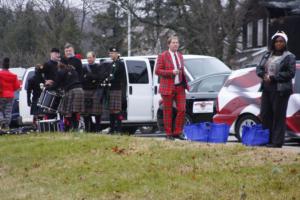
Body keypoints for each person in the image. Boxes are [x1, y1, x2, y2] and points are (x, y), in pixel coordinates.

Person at [256, 31, 296, 148]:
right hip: (267, 88)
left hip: (281, 90)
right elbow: (259, 69)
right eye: (277, 41)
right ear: (273, 43)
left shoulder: (289, 56)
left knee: (278, 115)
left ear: (285, 43)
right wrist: (263, 76)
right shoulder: (267, 55)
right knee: (265, 114)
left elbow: (290, 73)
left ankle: (277, 142)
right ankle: (266, 139)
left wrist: (273, 78)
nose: (278, 43)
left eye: (281, 41)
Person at [155, 35, 189, 140]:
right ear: (169, 44)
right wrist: (171, 72)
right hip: (168, 87)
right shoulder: (163, 56)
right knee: (168, 111)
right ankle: (169, 134)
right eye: (173, 42)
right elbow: (157, 71)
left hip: (180, 87)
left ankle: (177, 132)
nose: (175, 44)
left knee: (182, 110)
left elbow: (182, 71)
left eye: (177, 42)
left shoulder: (180, 55)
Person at [49, 59, 84, 131]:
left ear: (61, 63)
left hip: (72, 91)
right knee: (74, 111)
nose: (57, 63)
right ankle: (75, 128)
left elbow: (56, 85)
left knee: (66, 111)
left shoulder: (61, 71)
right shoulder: (73, 70)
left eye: (59, 62)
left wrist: (48, 87)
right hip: (80, 90)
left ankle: (69, 128)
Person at [82, 51, 108, 132]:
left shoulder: (98, 67)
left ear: (94, 57)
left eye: (90, 57)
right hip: (86, 91)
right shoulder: (84, 67)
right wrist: (92, 78)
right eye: (88, 57)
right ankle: (87, 129)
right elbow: (83, 79)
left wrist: (90, 76)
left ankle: (97, 129)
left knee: (97, 113)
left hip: (96, 91)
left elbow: (99, 78)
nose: (89, 59)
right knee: (86, 113)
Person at [107, 47, 126, 134]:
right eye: (110, 53)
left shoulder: (120, 63)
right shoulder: (111, 64)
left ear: (117, 54)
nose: (111, 55)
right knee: (111, 110)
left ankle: (119, 129)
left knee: (117, 110)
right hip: (111, 89)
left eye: (113, 53)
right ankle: (112, 129)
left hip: (118, 89)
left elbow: (120, 77)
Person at [0, 58, 20, 131]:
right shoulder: (13, 75)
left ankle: (2, 122)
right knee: (8, 112)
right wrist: (10, 90)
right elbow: (17, 87)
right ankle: (6, 126)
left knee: (0, 110)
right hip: (10, 96)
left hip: (1, 95)